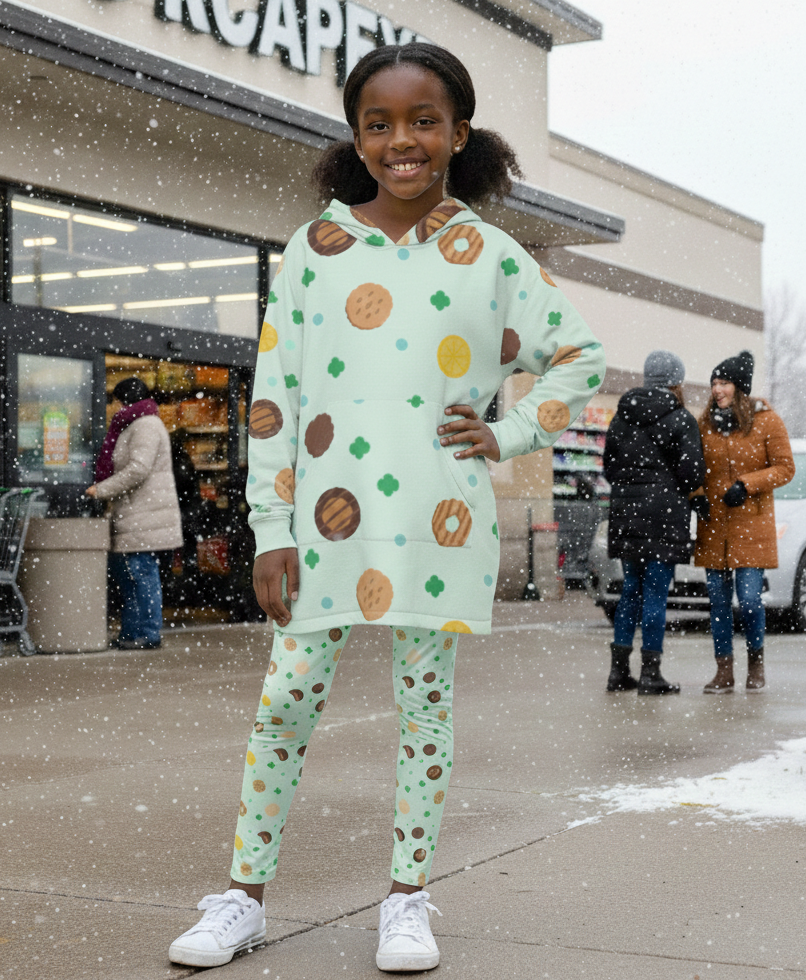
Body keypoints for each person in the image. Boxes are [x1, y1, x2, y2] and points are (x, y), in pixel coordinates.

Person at [168, 42, 605, 973]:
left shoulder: (491, 257)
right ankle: (242, 894)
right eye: (380, 123)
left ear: (459, 134)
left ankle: (406, 900)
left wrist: (512, 431)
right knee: (285, 702)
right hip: (323, 519)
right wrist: (270, 529)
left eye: (423, 121)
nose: (402, 140)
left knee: (425, 711)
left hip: (436, 523)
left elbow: (579, 355)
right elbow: (275, 398)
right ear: (357, 137)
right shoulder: (313, 250)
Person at [603, 351, 705, 695]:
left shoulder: (622, 416)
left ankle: (618, 673)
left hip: (627, 514)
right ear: (675, 380)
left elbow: (610, 470)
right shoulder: (681, 419)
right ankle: (651, 673)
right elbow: (691, 474)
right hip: (663, 517)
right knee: (656, 595)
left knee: (631, 590)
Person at [693, 351, 794, 693]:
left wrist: (747, 485)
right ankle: (724, 672)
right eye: (714, 382)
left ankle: (756, 663)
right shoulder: (703, 423)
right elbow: (691, 467)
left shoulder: (767, 422)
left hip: (752, 525)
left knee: (749, 600)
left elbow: (785, 468)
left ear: (740, 387)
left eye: (724, 383)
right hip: (714, 527)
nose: (717, 389)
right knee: (719, 604)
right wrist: (697, 496)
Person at [85, 376, 182, 650]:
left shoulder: (145, 426)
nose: (112, 407)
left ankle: (147, 633)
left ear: (123, 400)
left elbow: (138, 469)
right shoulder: (133, 425)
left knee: (140, 574)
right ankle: (131, 632)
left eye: (114, 400)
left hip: (144, 515)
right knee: (130, 576)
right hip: (134, 514)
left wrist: (101, 489)